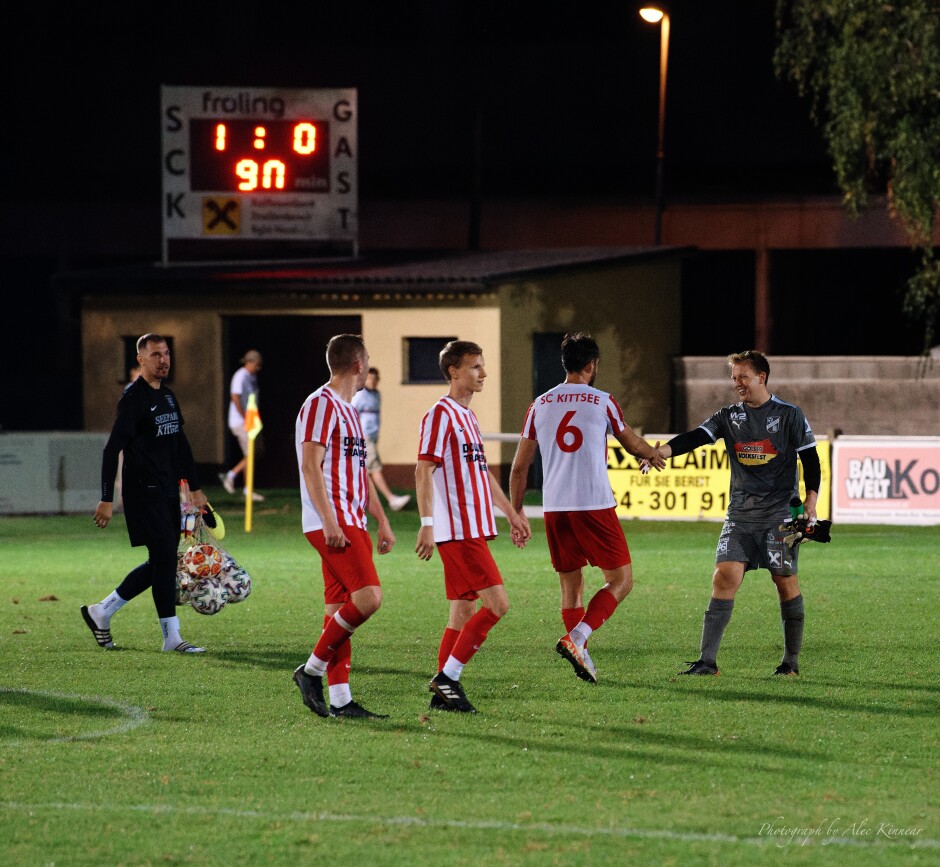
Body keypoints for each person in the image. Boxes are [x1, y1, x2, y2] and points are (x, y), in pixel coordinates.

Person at [644, 350, 821, 677]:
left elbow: (811, 459)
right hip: (740, 515)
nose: (736, 383)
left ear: (761, 377)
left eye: (742, 376)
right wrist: (659, 452)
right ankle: (707, 662)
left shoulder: (789, 415)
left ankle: (790, 663)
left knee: (784, 581)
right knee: (724, 576)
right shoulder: (728, 416)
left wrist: (810, 501)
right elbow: (696, 438)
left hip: (781, 514)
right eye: (734, 377)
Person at [509, 332, 665, 683]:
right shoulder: (602, 401)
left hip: (556, 508)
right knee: (621, 580)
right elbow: (632, 443)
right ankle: (577, 638)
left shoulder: (540, 404)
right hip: (593, 504)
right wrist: (652, 454)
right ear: (592, 365)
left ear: (565, 364)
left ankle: (582, 653)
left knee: (570, 585)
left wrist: (517, 511)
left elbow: (519, 467)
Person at [416, 341, 531, 713]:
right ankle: (448, 677)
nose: (483, 374)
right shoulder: (440, 414)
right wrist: (427, 525)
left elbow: (481, 475)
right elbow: (423, 470)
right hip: (458, 530)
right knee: (498, 605)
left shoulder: (468, 416)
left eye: (483, 367)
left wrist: (513, 514)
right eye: (475, 367)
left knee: (461, 612)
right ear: (453, 372)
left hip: (472, 528)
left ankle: (442, 694)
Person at [82, 333, 208, 653]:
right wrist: (107, 498)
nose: (163, 360)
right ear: (140, 360)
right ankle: (172, 637)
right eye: (155, 355)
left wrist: (194, 488)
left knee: (161, 562)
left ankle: (101, 611)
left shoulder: (167, 397)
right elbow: (112, 450)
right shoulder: (133, 398)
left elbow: (180, 445)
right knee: (165, 558)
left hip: (167, 493)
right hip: (143, 493)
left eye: (166, 354)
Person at [292, 334, 396, 719]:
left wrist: (382, 519)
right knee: (368, 598)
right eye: (366, 359)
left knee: (339, 607)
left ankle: (340, 699)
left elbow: (360, 473)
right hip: (332, 521)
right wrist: (329, 519)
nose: (368, 365)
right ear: (357, 364)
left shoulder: (350, 410)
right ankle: (311, 670)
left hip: (351, 520)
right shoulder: (320, 404)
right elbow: (309, 466)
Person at [351, 367, 411, 512]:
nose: (372, 381)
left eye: (375, 379)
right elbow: (351, 414)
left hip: (372, 436)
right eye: (369, 378)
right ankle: (392, 499)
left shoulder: (377, 395)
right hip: (363, 436)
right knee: (374, 468)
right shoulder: (359, 395)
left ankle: (356, 501)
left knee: (362, 469)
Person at [219, 349, 264, 502]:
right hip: (240, 421)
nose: (258, 368)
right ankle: (238, 482)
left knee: (256, 452)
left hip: (251, 420)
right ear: (249, 362)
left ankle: (237, 480)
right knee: (250, 454)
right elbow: (235, 396)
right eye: (256, 365)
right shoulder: (241, 376)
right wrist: (244, 417)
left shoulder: (251, 377)